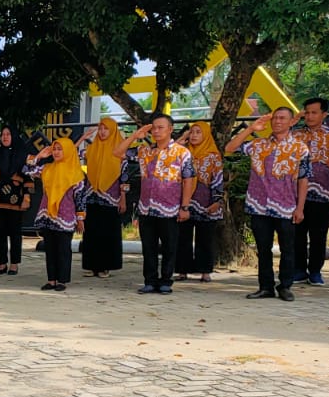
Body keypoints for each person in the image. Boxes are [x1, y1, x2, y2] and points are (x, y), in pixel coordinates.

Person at [227, 110, 311, 302]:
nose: (277, 122)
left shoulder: (300, 148)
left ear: (291, 122)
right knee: (263, 248)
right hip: (259, 205)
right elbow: (230, 148)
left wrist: (300, 207)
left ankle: (285, 286)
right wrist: (250, 129)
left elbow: (304, 180)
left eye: (282, 118)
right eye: (275, 118)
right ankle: (265, 286)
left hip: (286, 205)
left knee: (287, 248)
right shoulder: (258, 145)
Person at [117, 114, 196, 295]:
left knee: (169, 246)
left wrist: (185, 206)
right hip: (147, 207)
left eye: (161, 127)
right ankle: (150, 281)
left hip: (170, 207)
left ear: (170, 129)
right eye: (154, 128)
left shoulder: (181, 152)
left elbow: (188, 179)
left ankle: (166, 280)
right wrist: (134, 137)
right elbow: (117, 152)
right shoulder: (144, 151)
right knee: (148, 247)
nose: (156, 131)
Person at [292, 97, 329, 286]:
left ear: (324, 114)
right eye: (307, 112)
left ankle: (315, 270)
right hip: (295, 193)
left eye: (314, 112)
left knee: (318, 234)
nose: (309, 116)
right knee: (297, 233)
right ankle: (299, 270)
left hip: (322, 191)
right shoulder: (295, 134)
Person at [25, 138, 88, 291]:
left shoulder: (76, 173)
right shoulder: (46, 168)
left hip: (65, 217)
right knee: (50, 248)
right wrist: (39, 156)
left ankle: (62, 280)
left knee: (63, 249)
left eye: (60, 149)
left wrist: (80, 218)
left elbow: (80, 198)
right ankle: (51, 280)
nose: (56, 152)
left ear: (68, 151)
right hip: (48, 216)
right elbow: (25, 170)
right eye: (54, 149)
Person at [77, 118, 127, 278]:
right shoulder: (92, 149)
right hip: (92, 196)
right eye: (101, 128)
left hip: (111, 197)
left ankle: (106, 266)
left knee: (108, 232)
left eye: (106, 129)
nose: (103, 132)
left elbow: (124, 177)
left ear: (113, 130)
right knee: (91, 232)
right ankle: (92, 266)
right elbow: (71, 153)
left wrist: (123, 197)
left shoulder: (120, 150)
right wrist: (83, 139)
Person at [176, 122, 224, 283]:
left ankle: (205, 271)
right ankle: (182, 270)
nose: (194, 135)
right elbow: (167, 156)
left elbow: (217, 179)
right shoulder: (183, 152)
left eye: (198, 132)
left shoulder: (213, 155)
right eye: (192, 132)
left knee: (206, 238)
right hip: (184, 201)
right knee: (182, 237)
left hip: (206, 202)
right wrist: (182, 138)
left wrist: (217, 201)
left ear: (206, 135)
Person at [0, 125, 36, 275]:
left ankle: (14, 264)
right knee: (0, 232)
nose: (5, 137)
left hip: (16, 200)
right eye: (3, 135)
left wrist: (27, 196)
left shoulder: (22, 155)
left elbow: (28, 176)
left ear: (14, 136)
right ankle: (2, 264)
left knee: (15, 233)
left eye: (9, 134)